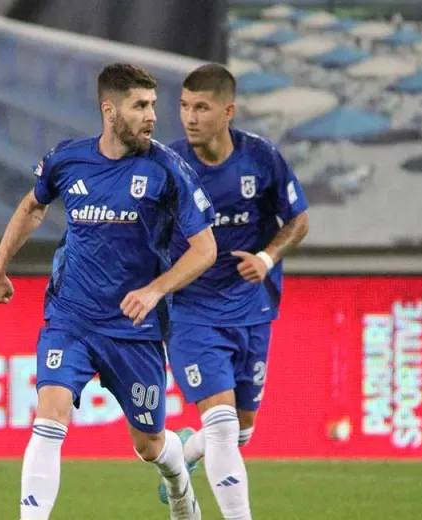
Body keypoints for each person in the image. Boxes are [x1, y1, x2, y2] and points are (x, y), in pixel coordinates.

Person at [0, 63, 217, 520]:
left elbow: (205, 248)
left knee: (149, 445)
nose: (152, 116)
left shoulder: (167, 170)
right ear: (110, 111)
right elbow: (33, 205)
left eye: (153, 105)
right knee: (48, 418)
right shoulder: (68, 160)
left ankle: (179, 481)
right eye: (140, 105)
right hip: (70, 318)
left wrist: (155, 290)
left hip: (135, 329)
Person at [157, 64, 310, 520]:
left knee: (241, 432)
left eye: (201, 107)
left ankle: (183, 453)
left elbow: (299, 219)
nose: (189, 117)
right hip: (192, 312)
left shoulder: (261, 159)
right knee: (223, 428)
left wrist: (266, 258)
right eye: (184, 106)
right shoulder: (170, 165)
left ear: (228, 112)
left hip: (252, 311)